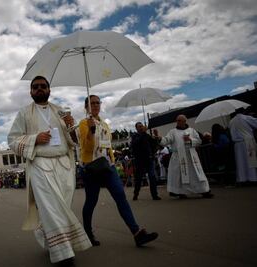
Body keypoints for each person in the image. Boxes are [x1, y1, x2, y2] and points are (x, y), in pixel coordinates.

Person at [8, 76, 91, 267]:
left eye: (43, 86)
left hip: (64, 165)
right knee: (51, 208)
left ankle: (52, 240)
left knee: (62, 207)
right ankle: (64, 255)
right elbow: (12, 140)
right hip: (40, 165)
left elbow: (74, 141)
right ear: (30, 92)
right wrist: (35, 138)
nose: (39, 89)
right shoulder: (24, 113)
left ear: (49, 90)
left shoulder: (61, 112)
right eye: (35, 87)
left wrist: (72, 126)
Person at [77, 95, 158, 248]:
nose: (95, 105)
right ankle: (87, 232)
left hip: (108, 166)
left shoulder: (105, 124)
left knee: (120, 196)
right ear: (86, 106)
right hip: (91, 167)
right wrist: (90, 131)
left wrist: (112, 161)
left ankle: (137, 233)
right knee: (91, 201)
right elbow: (87, 148)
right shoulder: (83, 124)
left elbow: (108, 146)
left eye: (97, 103)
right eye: (91, 103)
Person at [153, 114, 213, 199]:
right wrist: (159, 138)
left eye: (179, 120)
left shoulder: (192, 130)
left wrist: (190, 140)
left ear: (185, 121)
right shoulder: (172, 132)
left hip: (191, 156)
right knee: (180, 176)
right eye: (177, 120)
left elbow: (199, 141)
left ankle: (204, 190)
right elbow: (166, 140)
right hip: (178, 157)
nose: (177, 122)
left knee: (197, 174)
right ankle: (180, 192)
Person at [131, 122, 161, 200]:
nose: (141, 128)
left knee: (152, 177)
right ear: (136, 128)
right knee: (139, 178)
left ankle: (154, 195)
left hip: (149, 159)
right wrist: (143, 133)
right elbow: (135, 143)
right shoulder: (135, 136)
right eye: (139, 127)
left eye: (142, 126)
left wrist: (156, 136)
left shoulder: (147, 136)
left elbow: (154, 144)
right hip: (139, 161)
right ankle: (136, 193)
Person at [229, 108, 257, 184]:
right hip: (247, 142)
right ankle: (253, 178)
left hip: (237, 144)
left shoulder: (231, 121)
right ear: (243, 111)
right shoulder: (246, 117)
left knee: (240, 161)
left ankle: (242, 178)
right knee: (250, 160)